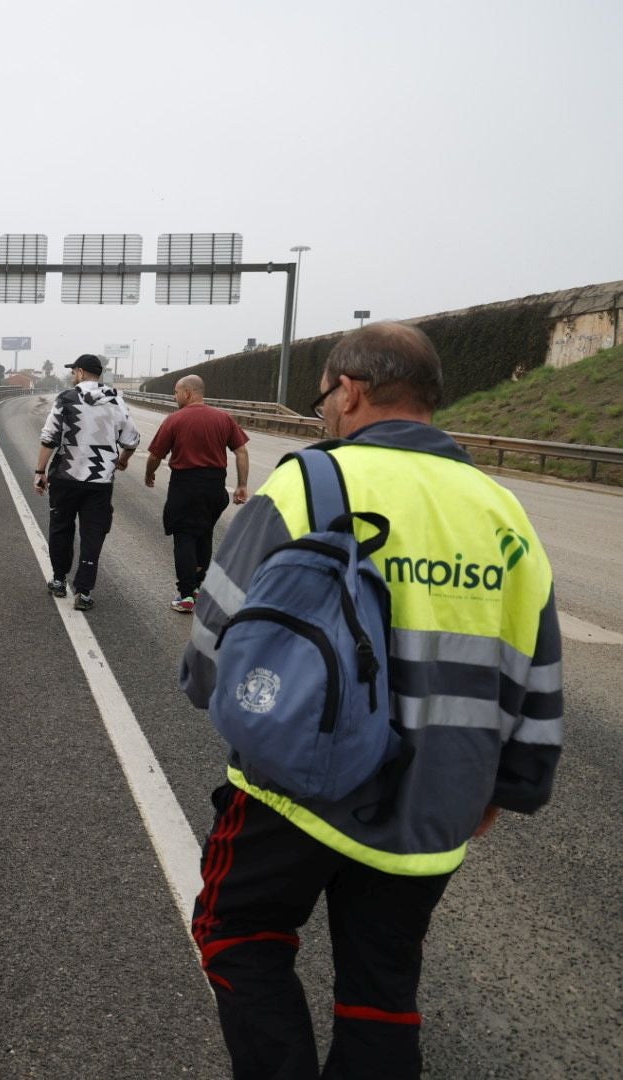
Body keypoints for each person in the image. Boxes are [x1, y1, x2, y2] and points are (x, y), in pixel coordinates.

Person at [180, 323, 563, 1079]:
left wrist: (212, 696)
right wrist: (507, 786)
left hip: (295, 790)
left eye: (325, 395)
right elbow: (539, 667)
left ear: (350, 389)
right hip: (436, 799)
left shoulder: (313, 483)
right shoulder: (501, 511)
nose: (325, 410)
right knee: (382, 990)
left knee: (237, 933)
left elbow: (216, 632)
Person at [34, 354, 140, 611]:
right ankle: (85, 592)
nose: (72, 376)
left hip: (66, 478)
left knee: (61, 528)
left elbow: (50, 438)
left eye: (73, 372)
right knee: (93, 533)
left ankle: (59, 580)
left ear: (81, 372)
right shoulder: (116, 400)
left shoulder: (67, 399)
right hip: (100, 481)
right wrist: (122, 460)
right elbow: (132, 439)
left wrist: (40, 471)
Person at [143, 375, 250, 613]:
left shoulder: (175, 420)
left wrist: (149, 474)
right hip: (215, 487)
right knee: (204, 533)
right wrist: (242, 484)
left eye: (176, 392)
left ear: (188, 393)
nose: (174, 396)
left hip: (186, 486)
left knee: (184, 537)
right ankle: (199, 588)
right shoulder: (224, 418)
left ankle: (185, 595)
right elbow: (241, 451)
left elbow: (155, 456)